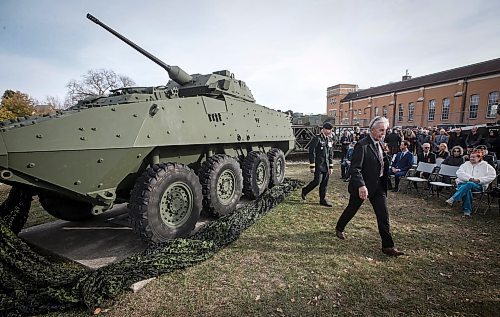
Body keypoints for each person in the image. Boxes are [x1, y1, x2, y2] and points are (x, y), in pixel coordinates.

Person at [335, 116, 405, 256]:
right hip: (363, 187)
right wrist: (361, 185)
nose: (383, 133)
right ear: (372, 130)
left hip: (378, 186)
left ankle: (388, 246)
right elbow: (355, 169)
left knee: (383, 215)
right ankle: (339, 227)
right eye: (381, 130)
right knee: (352, 209)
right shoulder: (362, 145)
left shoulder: (380, 144)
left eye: (385, 131)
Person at [446, 150, 496, 217]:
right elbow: (459, 173)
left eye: (473, 157)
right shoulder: (465, 164)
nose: (471, 158)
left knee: (470, 184)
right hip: (463, 183)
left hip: (478, 185)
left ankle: (453, 198)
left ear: (479, 158)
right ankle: (467, 212)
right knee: (467, 189)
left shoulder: (487, 166)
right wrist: (469, 178)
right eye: (471, 157)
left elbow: (492, 176)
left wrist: (479, 180)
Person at [302, 122, 334, 207]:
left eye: (331, 130)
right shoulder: (317, 138)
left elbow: (330, 153)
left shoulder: (329, 139)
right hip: (318, 164)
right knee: (317, 181)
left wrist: (331, 166)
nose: (330, 131)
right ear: (324, 129)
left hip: (326, 165)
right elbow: (312, 152)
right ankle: (305, 190)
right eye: (329, 130)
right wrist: (312, 165)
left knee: (325, 183)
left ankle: (322, 199)